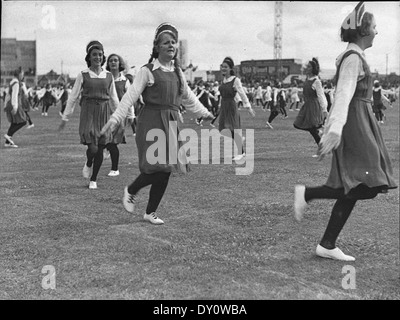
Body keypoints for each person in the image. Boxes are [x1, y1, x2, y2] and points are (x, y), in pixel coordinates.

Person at [294, 2, 397, 261]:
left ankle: (327, 243)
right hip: (354, 126)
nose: (377, 31)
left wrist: (378, 99)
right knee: (369, 184)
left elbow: (356, 92)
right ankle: (308, 194)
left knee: (360, 183)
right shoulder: (353, 58)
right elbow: (343, 95)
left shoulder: (355, 57)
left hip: (360, 121)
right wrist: (335, 129)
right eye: (374, 27)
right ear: (363, 30)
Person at [100, 23, 214, 225]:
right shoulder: (147, 71)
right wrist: (115, 119)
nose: (171, 45)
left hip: (170, 123)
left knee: (166, 169)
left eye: (173, 42)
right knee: (158, 166)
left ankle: (149, 212)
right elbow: (129, 97)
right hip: (151, 122)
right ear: (157, 47)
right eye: (166, 42)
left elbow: (188, 98)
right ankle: (131, 190)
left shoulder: (178, 72)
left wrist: (204, 113)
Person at [59, 40, 120, 189]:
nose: (98, 57)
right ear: (89, 57)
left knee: (100, 147)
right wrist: (65, 117)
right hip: (88, 112)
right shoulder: (83, 75)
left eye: (100, 55)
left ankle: (94, 179)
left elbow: (113, 98)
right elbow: (73, 97)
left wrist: (119, 116)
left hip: (104, 113)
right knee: (92, 148)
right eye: (94, 55)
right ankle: (88, 163)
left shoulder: (108, 76)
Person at [216, 57, 255, 161]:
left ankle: (241, 152)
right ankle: (240, 139)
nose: (223, 68)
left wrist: (248, 107)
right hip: (224, 106)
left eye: (226, 67)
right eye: (222, 66)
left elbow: (242, 93)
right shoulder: (223, 80)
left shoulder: (235, 80)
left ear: (230, 68)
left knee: (232, 129)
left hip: (231, 106)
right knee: (223, 130)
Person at [105, 53, 135, 177]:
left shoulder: (125, 81)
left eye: (115, 60)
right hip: (105, 113)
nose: (113, 63)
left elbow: (130, 99)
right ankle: (105, 149)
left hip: (119, 115)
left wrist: (131, 115)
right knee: (103, 140)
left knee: (113, 143)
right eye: (111, 61)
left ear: (119, 63)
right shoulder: (105, 78)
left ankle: (114, 169)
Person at [293, 58, 328, 156]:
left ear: (313, 68)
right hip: (307, 105)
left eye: (309, 66)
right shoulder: (307, 79)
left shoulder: (317, 81)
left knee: (311, 128)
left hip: (313, 106)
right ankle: (319, 132)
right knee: (297, 124)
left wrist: (324, 109)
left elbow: (321, 95)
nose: (306, 68)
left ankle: (321, 149)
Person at [3, 68, 27, 148]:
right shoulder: (16, 83)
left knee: (15, 122)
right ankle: (8, 135)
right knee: (23, 121)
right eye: (22, 74)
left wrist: (6, 105)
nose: (23, 75)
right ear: (19, 74)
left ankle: (7, 142)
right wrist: (15, 107)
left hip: (11, 104)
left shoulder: (12, 82)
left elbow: (8, 95)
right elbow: (14, 96)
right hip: (15, 104)